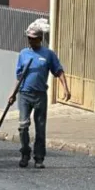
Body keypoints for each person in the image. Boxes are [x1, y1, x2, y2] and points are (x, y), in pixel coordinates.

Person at [8, 20, 72, 169]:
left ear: (40, 39)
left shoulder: (48, 55)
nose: (31, 41)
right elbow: (19, 77)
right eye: (29, 38)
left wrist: (65, 88)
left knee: (40, 128)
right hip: (24, 94)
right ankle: (25, 153)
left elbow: (59, 71)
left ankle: (39, 158)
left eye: (34, 38)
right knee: (23, 126)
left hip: (40, 95)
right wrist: (12, 94)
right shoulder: (23, 54)